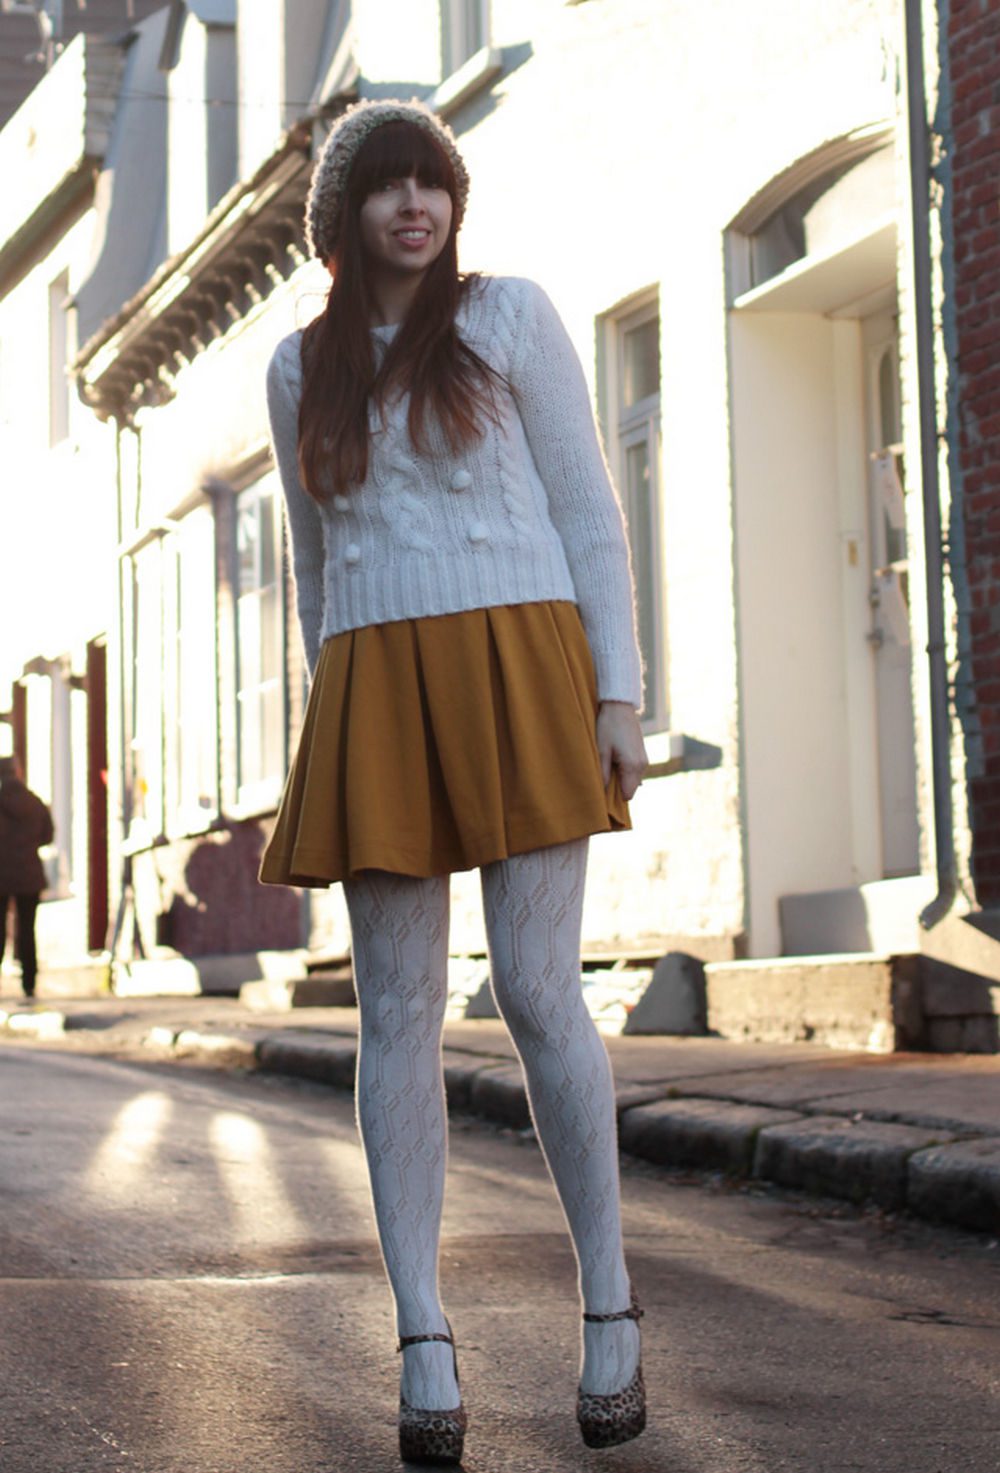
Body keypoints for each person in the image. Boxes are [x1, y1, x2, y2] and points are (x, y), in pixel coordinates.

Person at [259, 97, 649, 1464]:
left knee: (538, 991)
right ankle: (423, 1335)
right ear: (343, 217)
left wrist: (618, 695)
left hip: (525, 664)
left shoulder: (510, 317)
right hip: (375, 683)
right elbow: (314, 562)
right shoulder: (296, 368)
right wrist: (328, 722)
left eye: (432, 183)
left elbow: (588, 510)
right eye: (386, 186)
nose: (414, 206)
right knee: (397, 1015)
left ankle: (610, 1304)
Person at [0, 755, 54, 1000]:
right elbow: (47, 836)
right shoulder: (34, 802)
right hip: (29, 874)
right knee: (27, 929)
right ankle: (29, 983)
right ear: (18, 772)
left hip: (2, 875)